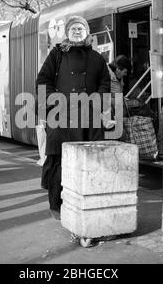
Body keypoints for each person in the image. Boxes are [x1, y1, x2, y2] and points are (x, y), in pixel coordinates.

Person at [36, 15, 110, 219]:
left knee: (90, 162)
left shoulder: (96, 57)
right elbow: (43, 80)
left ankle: (85, 204)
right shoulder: (56, 54)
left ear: (87, 33)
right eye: (74, 29)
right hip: (61, 117)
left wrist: (98, 99)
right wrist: (54, 100)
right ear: (67, 32)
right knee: (59, 161)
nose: (77, 32)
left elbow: (105, 82)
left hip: (90, 118)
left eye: (81, 29)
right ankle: (56, 205)